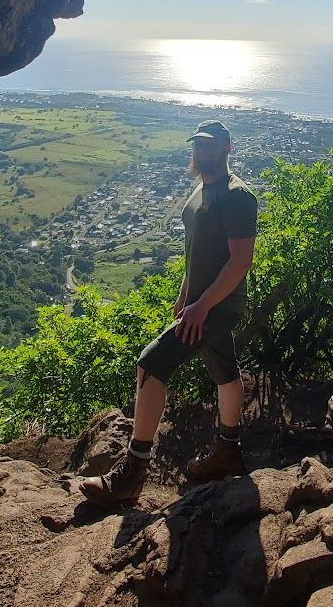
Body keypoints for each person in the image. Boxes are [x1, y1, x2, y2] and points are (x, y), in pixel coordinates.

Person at [77, 119, 258, 508]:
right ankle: (228, 452)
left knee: (151, 363)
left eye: (211, 145)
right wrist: (184, 295)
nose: (203, 152)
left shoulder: (237, 196)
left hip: (218, 305)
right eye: (198, 145)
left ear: (228, 147)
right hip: (200, 304)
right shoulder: (201, 190)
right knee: (225, 371)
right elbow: (197, 252)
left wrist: (201, 306)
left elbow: (241, 261)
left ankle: (132, 474)